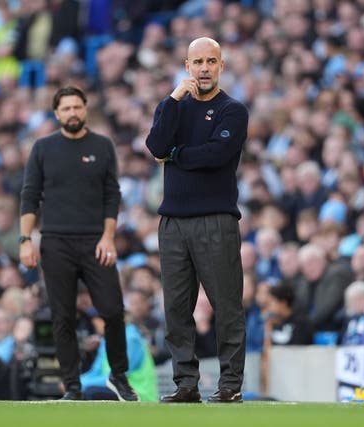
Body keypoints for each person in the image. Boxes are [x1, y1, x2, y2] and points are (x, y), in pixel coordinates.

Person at [145, 37, 248, 403]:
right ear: (187, 67)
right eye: (197, 62)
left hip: (215, 219)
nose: (204, 68)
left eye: (211, 61)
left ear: (222, 66)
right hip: (172, 221)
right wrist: (172, 99)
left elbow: (216, 155)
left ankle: (230, 385)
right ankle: (185, 384)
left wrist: (176, 154)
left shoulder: (232, 110)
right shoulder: (173, 107)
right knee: (175, 307)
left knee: (226, 305)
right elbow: (155, 146)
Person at [19, 85, 138, 402]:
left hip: (95, 240)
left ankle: (119, 374)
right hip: (56, 241)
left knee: (113, 310)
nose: (72, 113)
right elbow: (30, 196)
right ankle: (71, 385)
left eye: (77, 107)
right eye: (66, 108)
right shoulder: (43, 148)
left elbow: (112, 195)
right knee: (62, 316)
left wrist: (108, 236)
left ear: (85, 109)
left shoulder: (102, 146)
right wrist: (25, 240)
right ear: (57, 113)